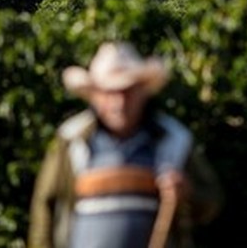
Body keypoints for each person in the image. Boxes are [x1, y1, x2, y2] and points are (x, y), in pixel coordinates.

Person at [28, 41, 223, 248]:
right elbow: (44, 207)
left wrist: (187, 191)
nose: (119, 103)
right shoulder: (71, 139)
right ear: (94, 95)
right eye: (110, 93)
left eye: (127, 91)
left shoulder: (173, 139)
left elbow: (211, 200)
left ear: (142, 92)